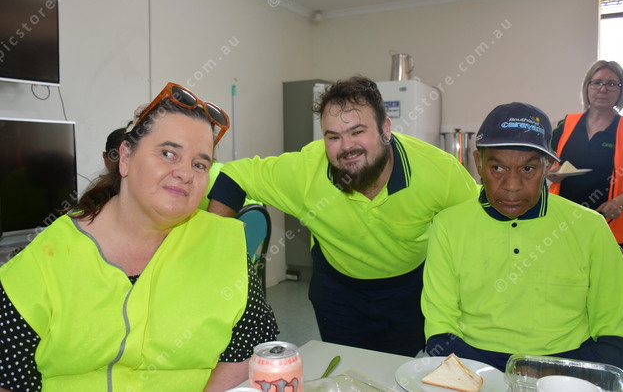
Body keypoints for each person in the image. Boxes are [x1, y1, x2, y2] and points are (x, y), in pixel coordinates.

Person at [0, 83, 278, 391]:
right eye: (168, 153)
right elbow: (9, 376)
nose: (185, 173)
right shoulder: (46, 259)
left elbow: (250, 347)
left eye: (200, 164)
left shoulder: (224, 246)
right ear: (125, 157)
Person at [208, 76, 478, 356]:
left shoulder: (438, 171)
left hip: (409, 290)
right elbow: (234, 177)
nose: (346, 147)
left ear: (385, 129)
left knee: (395, 369)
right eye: (333, 137)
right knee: (347, 367)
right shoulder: (306, 170)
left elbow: (479, 219)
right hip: (338, 292)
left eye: (357, 131)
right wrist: (213, 256)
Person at [421, 102, 623, 376]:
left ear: (548, 166)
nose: (512, 186)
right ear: (478, 163)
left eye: (528, 169)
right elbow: (440, 330)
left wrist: (553, 374)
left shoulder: (590, 227)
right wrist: (491, 378)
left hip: (567, 365)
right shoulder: (448, 226)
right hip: (474, 364)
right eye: (497, 168)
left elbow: (620, 337)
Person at [548, 60, 623, 256]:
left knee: (606, 275)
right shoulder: (566, 125)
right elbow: (546, 165)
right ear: (587, 87)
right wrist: (552, 173)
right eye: (597, 82)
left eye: (611, 84)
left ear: (621, 91)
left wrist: (618, 203)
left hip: (610, 226)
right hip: (563, 224)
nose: (603, 89)